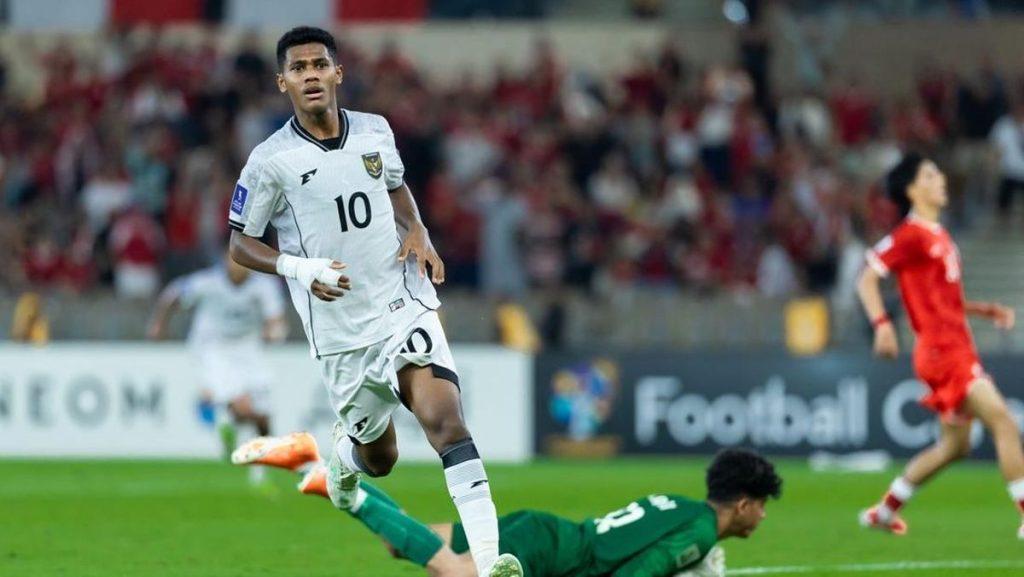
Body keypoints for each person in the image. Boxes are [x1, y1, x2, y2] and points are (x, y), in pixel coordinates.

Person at [226, 26, 520, 577]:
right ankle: (342, 460)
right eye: (299, 68)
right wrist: (298, 266)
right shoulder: (270, 162)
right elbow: (240, 243)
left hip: (402, 301)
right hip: (340, 333)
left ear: (338, 73)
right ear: (282, 82)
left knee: (445, 420)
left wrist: (420, 231)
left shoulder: (375, 131)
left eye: (320, 64)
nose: (310, 74)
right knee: (380, 460)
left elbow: (396, 188)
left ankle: (488, 563)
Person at [235, 434, 781, 577]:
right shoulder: (701, 533)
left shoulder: (679, 504)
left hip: (547, 532)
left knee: (397, 537)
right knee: (451, 570)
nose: (762, 517)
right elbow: (640, 571)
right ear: (742, 503)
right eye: (762, 506)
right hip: (549, 555)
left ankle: (317, 462)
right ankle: (333, 484)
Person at [858, 152, 1023, 539]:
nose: (941, 179)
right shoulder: (910, 234)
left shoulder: (939, 235)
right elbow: (867, 278)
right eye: (931, 174)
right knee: (1002, 420)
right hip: (942, 353)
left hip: (954, 347)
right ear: (913, 189)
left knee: (955, 447)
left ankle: (885, 510)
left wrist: (982, 310)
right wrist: (882, 325)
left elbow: (940, 297)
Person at [147, 252, 287, 486]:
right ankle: (230, 420)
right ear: (225, 262)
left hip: (248, 348)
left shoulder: (264, 286)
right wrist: (159, 323)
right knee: (243, 407)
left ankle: (257, 464)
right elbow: (173, 294)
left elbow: (275, 318)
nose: (240, 267)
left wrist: (274, 330)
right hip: (214, 347)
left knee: (263, 415)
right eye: (234, 261)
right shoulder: (208, 283)